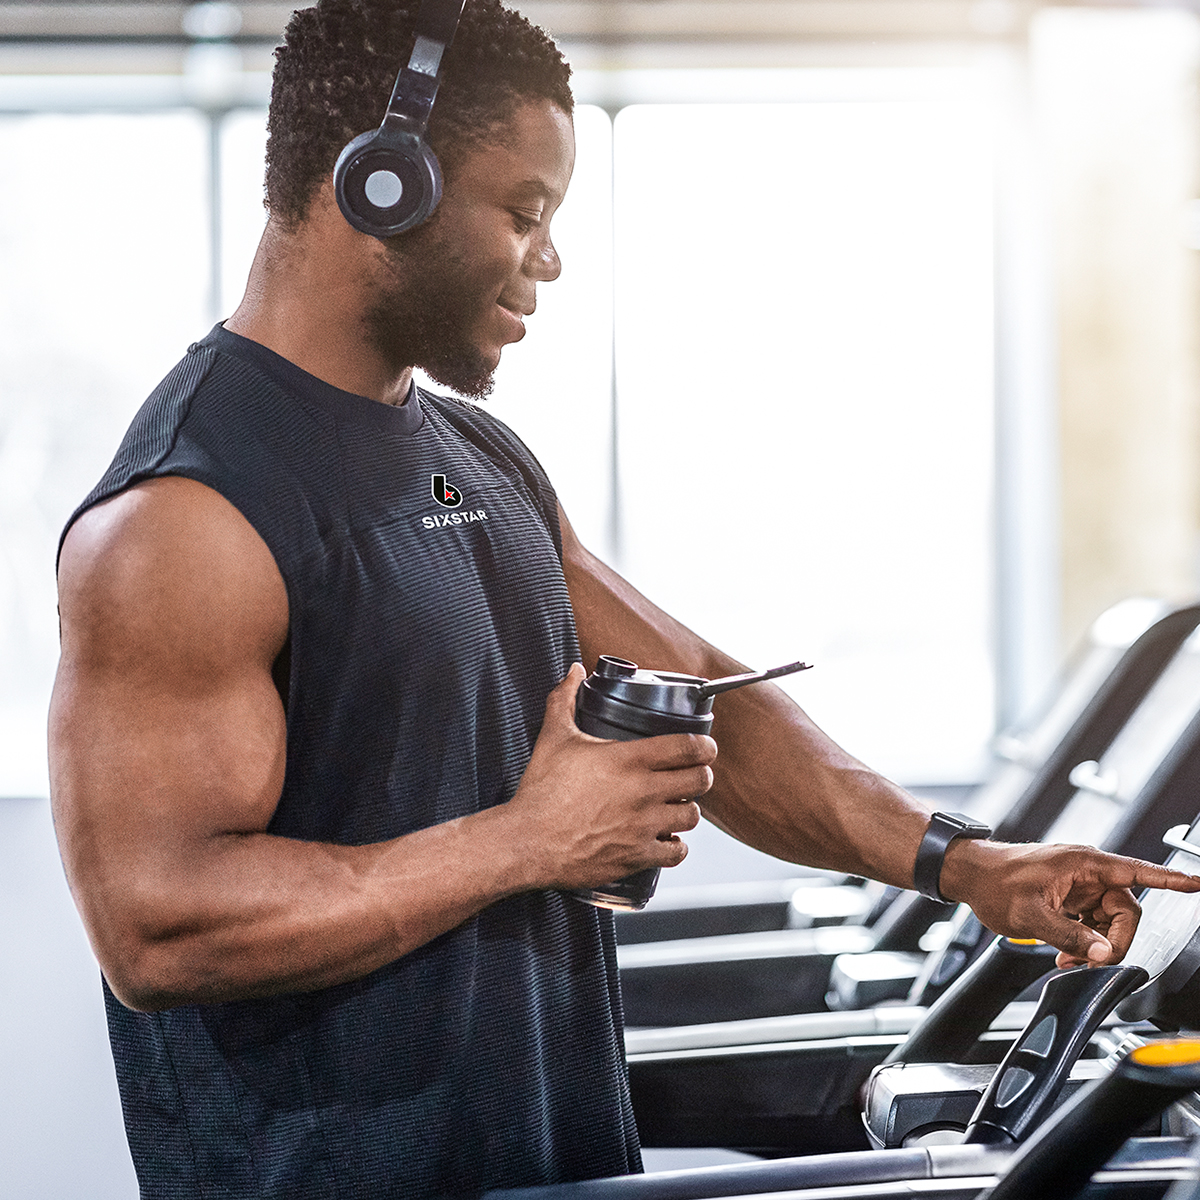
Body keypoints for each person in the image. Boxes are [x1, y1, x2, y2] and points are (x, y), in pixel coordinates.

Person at [47, 1, 1200, 1197]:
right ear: (382, 184)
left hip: (555, 1158)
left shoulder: (480, 460)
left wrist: (966, 866)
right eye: (523, 211)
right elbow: (158, 923)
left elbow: (710, 696)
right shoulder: (186, 516)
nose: (547, 258)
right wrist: (526, 842)